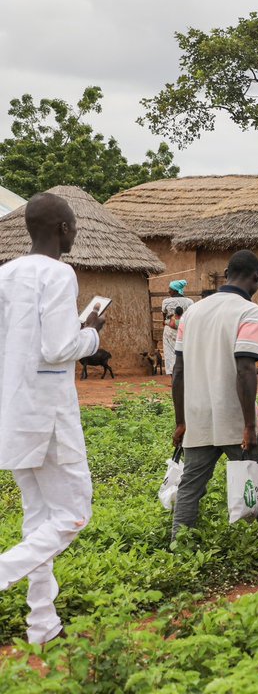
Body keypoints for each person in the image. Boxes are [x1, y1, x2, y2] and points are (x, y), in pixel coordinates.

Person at [0, 193, 106, 645]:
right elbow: (58, 348)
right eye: (75, 226)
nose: (76, 234)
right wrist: (92, 333)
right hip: (51, 415)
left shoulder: (5, 274)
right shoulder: (60, 274)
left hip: (13, 411)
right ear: (62, 228)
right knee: (75, 514)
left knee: (38, 519)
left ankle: (42, 624)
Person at [171, 251, 258, 562]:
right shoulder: (249, 312)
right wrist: (249, 425)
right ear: (255, 277)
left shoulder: (192, 313)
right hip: (235, 417)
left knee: (191, 487)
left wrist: (181, 421)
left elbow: (178, 372)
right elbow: (246, 369)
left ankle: (180, 553)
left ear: (226, 273)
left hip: (196, 416)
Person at [161, 280, 194, 377]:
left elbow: (164, 317)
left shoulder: (166, 302)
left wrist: (169, 322)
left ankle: (174, 378)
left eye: (170, 289)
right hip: (185, 330)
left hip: (169, 331)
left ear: (175, 290)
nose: (168, 291)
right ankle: (186, 376)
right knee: (184, 351)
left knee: (170, 354)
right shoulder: (190, 302)